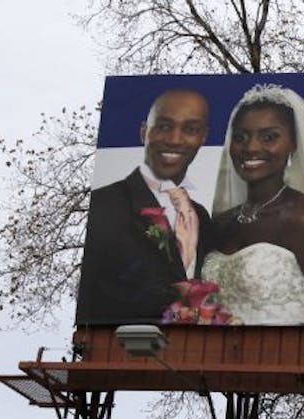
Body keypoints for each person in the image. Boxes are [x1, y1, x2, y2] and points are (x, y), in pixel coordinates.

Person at [203, 85, 304, 325]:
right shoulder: (221, 222)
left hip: (284, 358)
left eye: (269, 137)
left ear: (293, 144)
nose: (251, 148)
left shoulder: (301, 217)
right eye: (241, 137)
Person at [77, 88, 214, 325]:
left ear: (203, 137)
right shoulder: (104, 205)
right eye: (163, 126)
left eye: (190, 129)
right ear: (144, 132)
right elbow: (93, 295)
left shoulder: (201, 215)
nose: (174, 139)